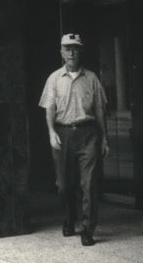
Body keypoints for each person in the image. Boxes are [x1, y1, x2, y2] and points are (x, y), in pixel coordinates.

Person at [38, 33, 108, 246]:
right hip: (63, 134)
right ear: (61, 52)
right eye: (67, 48)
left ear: (81, 51)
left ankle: (87, 229)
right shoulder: (54, 79)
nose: (71, 52)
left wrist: (104, 138)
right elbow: (49, 108)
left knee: (88, 185)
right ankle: (70, 219)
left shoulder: (92, 78)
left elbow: (99, 110)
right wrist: (51, 132)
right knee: (64, 186)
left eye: (75, 48)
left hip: (88, 135)